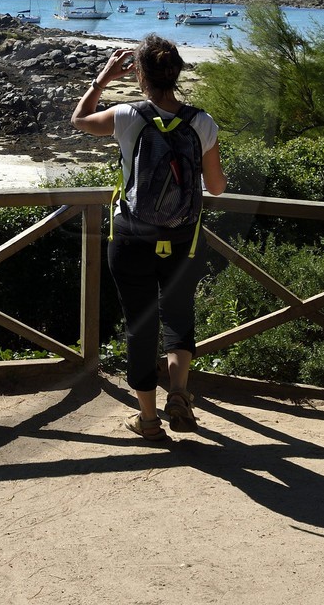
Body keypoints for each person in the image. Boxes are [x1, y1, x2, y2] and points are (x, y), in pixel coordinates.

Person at [70, 35, 227, 442]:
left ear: (139, 74)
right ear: (176, 72)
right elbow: (216, 187)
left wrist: (103, 79)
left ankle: (148, 420)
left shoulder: (127, 115)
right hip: (184, 239)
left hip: (130, 238)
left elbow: (79, 120)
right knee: (178, 316)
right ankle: (178, 392)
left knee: (140, 325)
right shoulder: (202, 122)